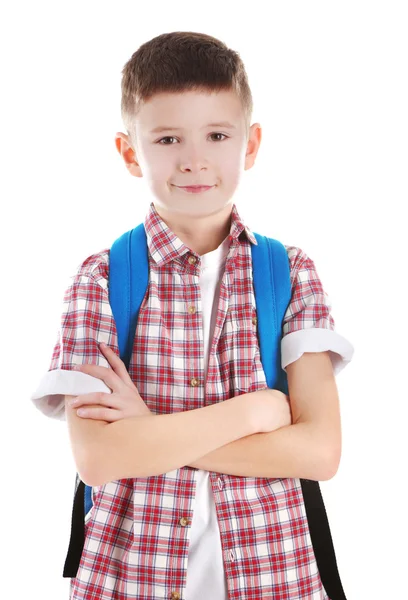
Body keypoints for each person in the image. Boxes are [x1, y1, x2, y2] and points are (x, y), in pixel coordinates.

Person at [31, 30, 354, 600]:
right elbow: (100, 459)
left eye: (217, 134)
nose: (195, 159)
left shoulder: (290, 273)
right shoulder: (101, 281)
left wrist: (148, 432)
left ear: (250, 145)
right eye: (168, 138)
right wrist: (259, 409)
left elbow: (319, 453)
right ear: (130, 152)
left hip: (275, 572)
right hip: (132, 574)